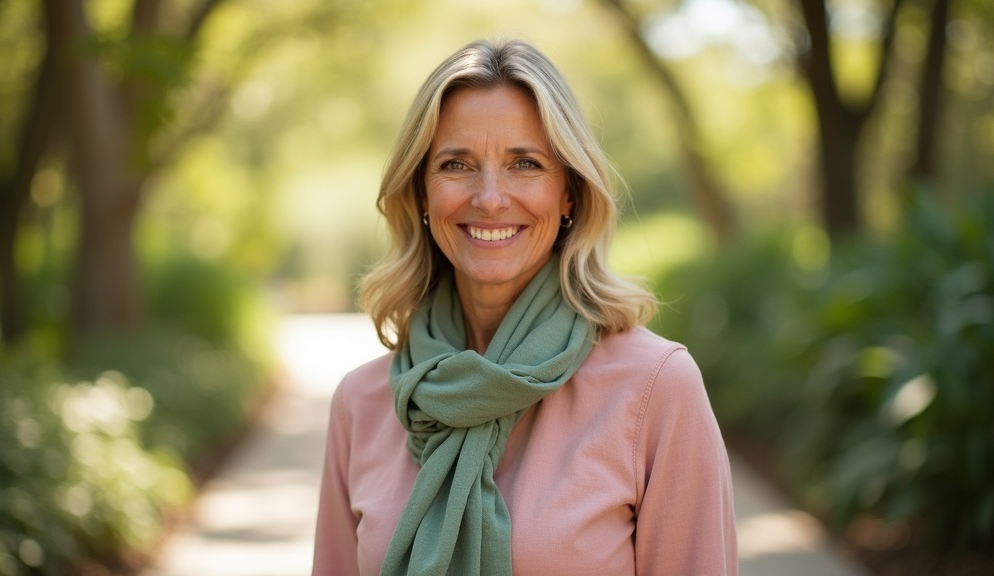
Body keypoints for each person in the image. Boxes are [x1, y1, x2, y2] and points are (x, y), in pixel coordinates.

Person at [312, 38, 737, 576]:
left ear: (570, 195)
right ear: (421, 193)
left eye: (525, 164)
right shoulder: (363, 403)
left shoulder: (655, 388)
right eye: (456, 164)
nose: (490, 197)